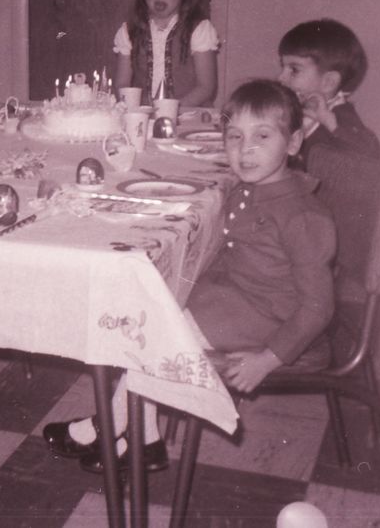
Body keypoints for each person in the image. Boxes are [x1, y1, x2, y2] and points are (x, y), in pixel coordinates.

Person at [43, 79, 336, 473]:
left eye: (262, 136)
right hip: (233, 302)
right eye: (234, 136)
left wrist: (268, 360)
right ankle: (141, 436)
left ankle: (116, 427)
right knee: (150, 316)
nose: (244, 149)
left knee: (154, 333)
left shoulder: (302, 216)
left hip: (270, 320)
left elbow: (318, 308)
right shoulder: (252, 188)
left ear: (295, 142)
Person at [113, 0, 218, 106]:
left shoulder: (199, 29)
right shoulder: (129, 31)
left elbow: (206, 87)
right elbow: (121, 84)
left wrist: (170, 111)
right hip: (145, 117)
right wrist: (139, 109)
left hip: (188, 116)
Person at [277, 18, 380, 168]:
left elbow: (371, 158)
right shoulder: (295, 111)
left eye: (294, 70)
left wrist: (329, 121)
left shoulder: (342, 117)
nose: (280, 77)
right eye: (283, 67)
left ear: (329, 82)